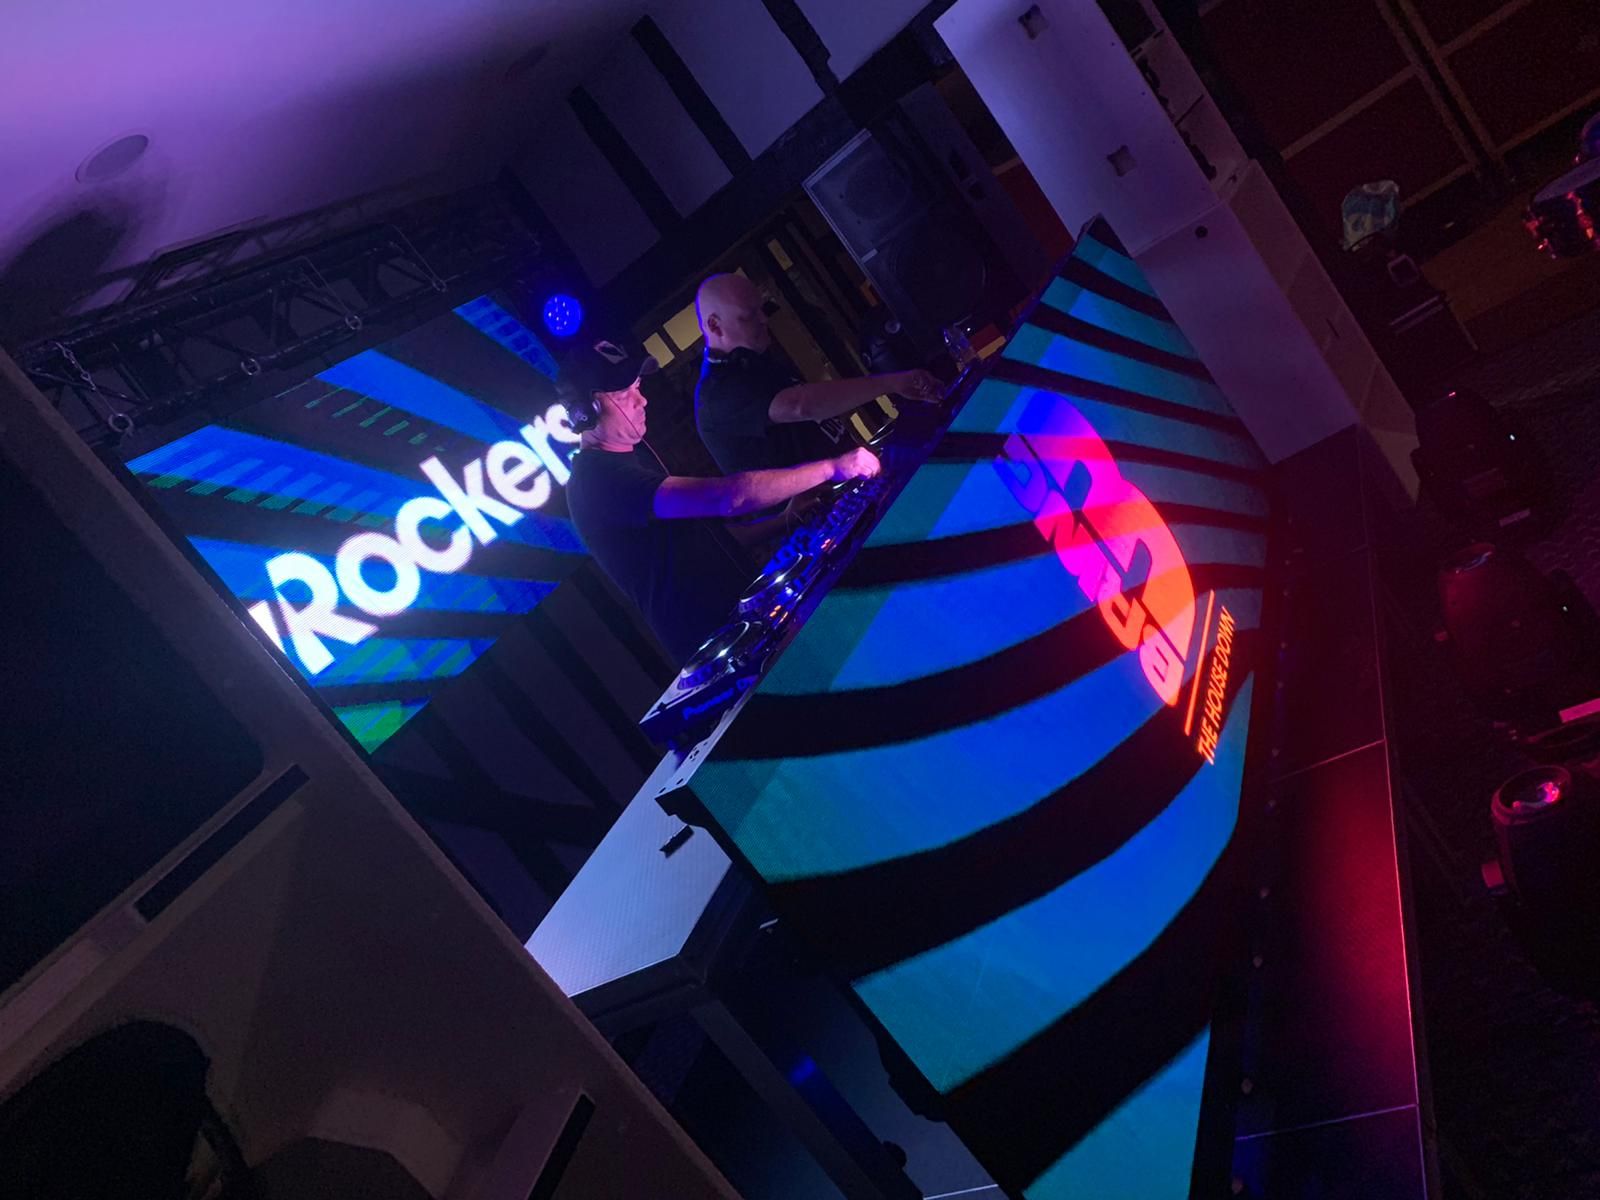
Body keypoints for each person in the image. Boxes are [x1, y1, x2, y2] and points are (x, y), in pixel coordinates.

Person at [559, 336, 882, 664]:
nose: (640, 400)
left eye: (638, 387)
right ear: (586, 412)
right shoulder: (597, 479)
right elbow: (730, 497)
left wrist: (782, 520)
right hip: (716, 645)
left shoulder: (631, 459)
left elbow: (707, 538)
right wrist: (833, 468)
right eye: (624, 394)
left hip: (741, 623)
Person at [692, 273, 942, 476]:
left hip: (847, 489)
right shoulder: (717, 392)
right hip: (815, 513)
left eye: (762, 309)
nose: (764, 319)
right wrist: (892, 382)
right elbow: (800, 405)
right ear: (715, 325)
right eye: (749, 315)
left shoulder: (755, 362)